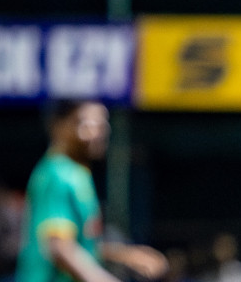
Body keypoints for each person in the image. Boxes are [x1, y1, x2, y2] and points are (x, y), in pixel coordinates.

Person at [15, 100, 166, 282]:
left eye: (102, 124)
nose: (98, 132)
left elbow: (79, 244)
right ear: (59, 126)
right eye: (88, 124)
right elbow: (59, 247)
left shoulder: (77, 173)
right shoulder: (59, 174)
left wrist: (126, 255)